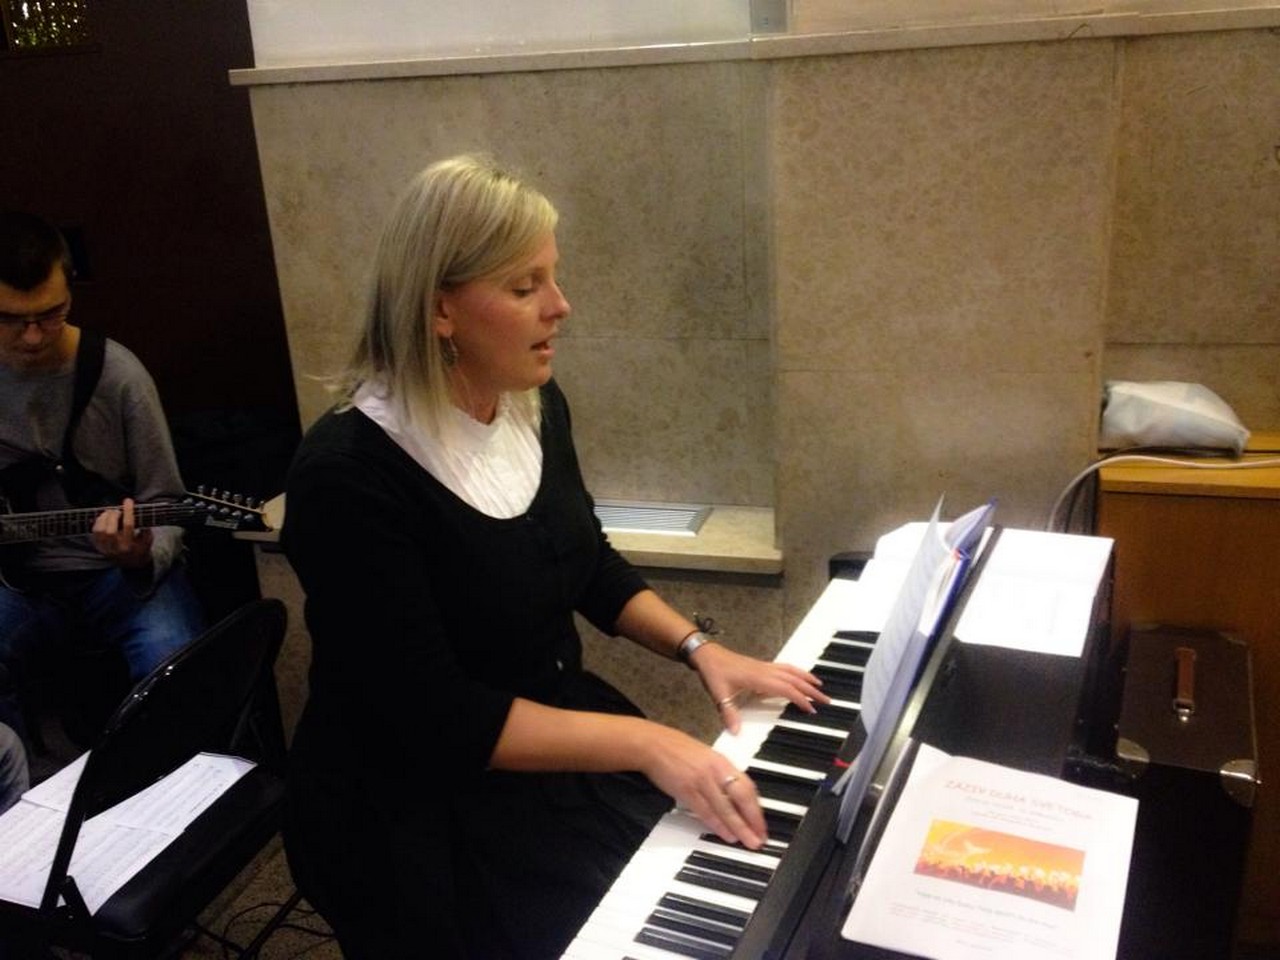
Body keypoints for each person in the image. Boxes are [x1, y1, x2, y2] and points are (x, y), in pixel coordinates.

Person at [281, 154, 830, 959]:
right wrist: (654, 744)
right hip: (412, 809)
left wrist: (699, 649)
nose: (561, 306)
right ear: (440, 310)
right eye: (524, 286)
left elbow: (585, 561)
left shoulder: (534, 404)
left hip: (545, 742)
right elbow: (438, 717)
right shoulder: (347, 475)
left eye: (554, 277)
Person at [0, 210, 205, 749]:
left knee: (173, 663)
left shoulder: (118, 376)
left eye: (52, 314)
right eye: (11, 319)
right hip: (19, 581)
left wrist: (140, 554)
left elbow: (168, 501)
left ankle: (172, 792)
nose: (33, 337)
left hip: (118, 576)